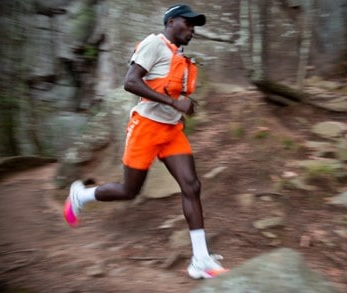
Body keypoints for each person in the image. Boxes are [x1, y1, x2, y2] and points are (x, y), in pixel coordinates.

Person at [63, 4, 228, 279]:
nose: (192, 30)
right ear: (172, 22)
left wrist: (183, 107)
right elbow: (131, 82)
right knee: (130, 190)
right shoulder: (154, 43)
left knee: (191, 185)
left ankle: (200, 260)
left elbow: (170, 89)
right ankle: (81, 195)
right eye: (188, 24)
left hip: (171, 131)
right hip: (145, 128)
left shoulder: (181, 56)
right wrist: (174, 102)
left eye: (195, 26)